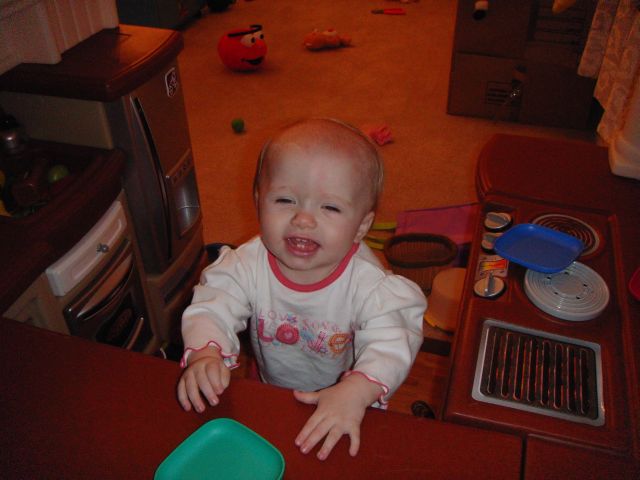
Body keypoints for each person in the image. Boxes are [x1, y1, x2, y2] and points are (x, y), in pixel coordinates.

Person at [177, 118, 426, 460]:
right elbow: (214, 303)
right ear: (258, 201)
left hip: (347, 399)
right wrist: (207, 352)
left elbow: (393, 341)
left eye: (330, 207)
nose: (304, 220)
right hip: (271, 388)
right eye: (285, 200)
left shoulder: (370, 286)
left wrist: (357, 390)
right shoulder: (248, 264)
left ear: (361, 226)